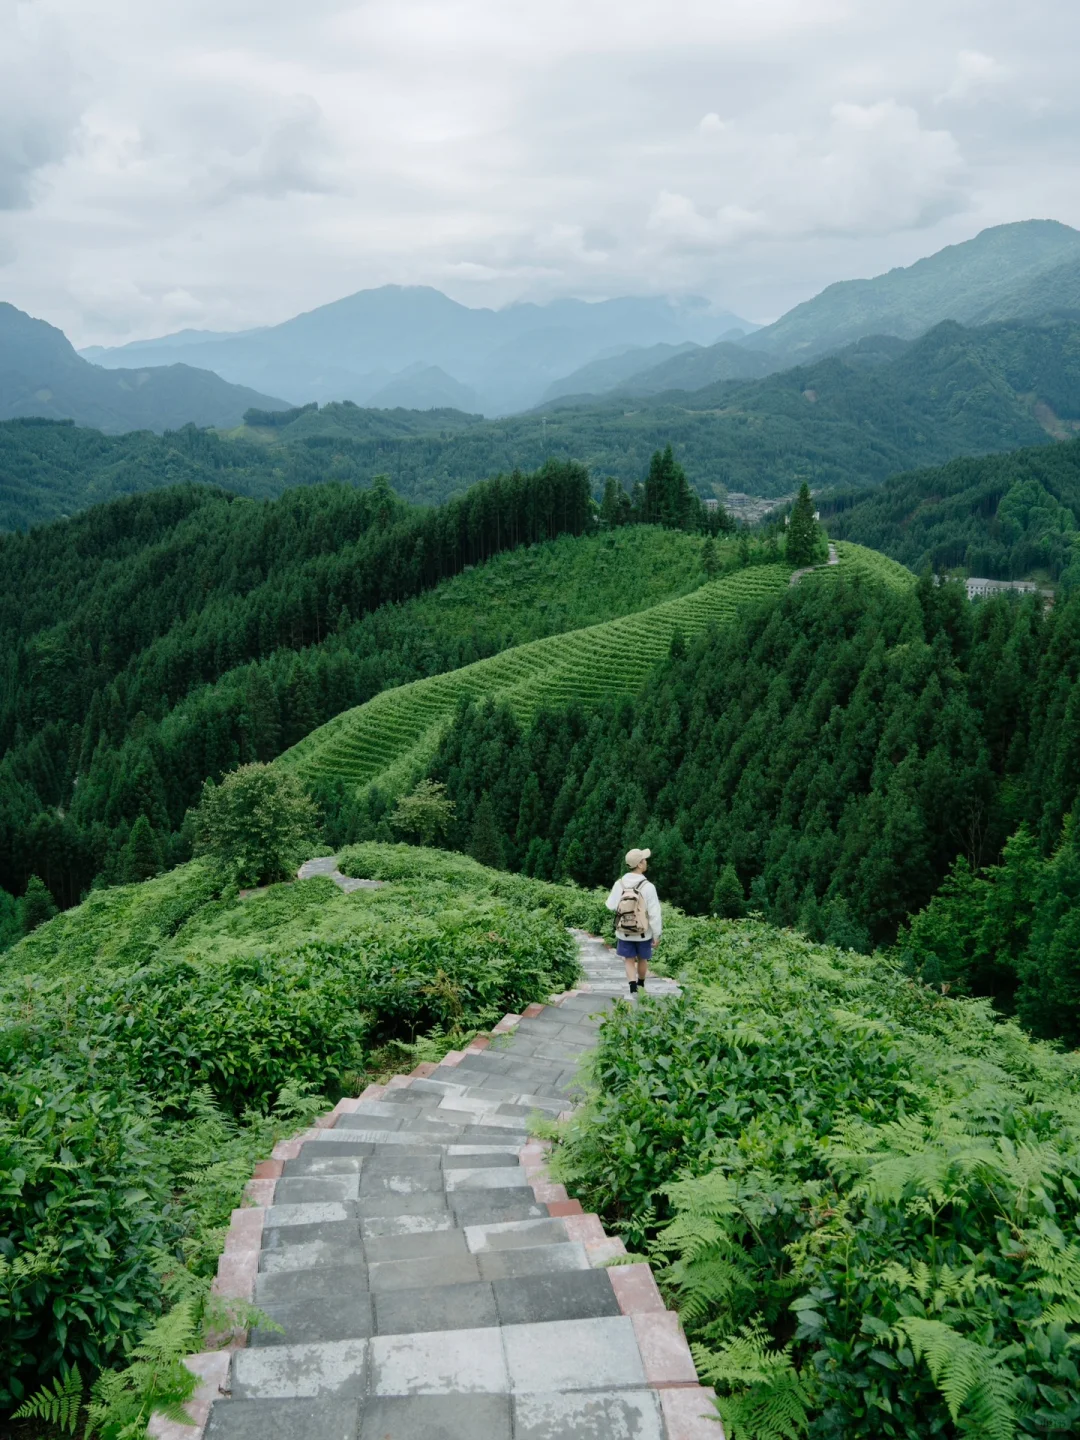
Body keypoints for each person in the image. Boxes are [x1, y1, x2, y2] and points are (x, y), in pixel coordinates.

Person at [606, 847, 662, 996]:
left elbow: (610, 905)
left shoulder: (620, 884)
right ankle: (641, 984)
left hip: (624, 931)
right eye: (644, 859)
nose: (646, 862)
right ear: (639, 864)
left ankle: (632, 987)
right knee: (642, 959)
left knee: (628, 959)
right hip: (644, 932)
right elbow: (655, 913)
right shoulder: (648, 887)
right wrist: (657, 934)